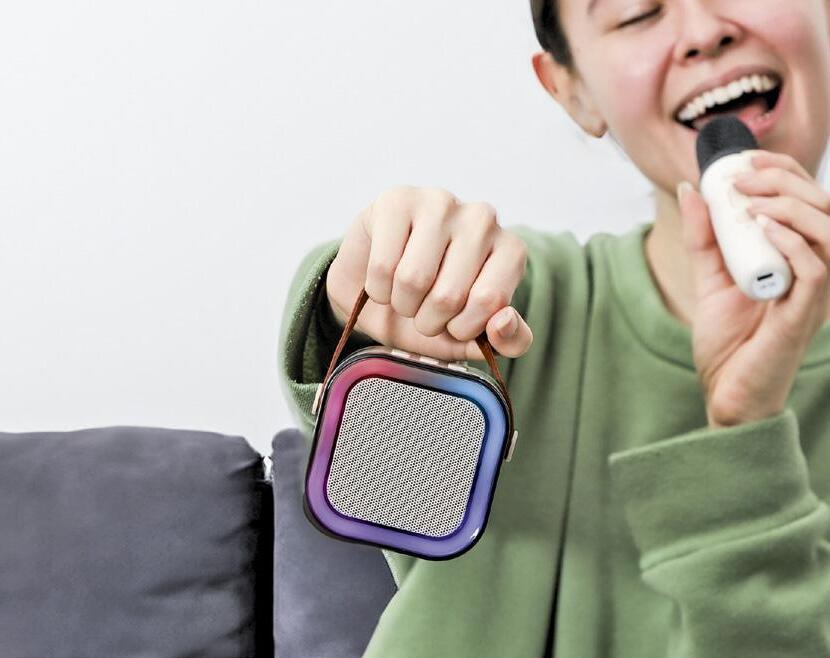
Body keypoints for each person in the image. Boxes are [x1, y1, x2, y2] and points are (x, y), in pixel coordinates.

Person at [277, 1, 830, 656]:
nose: (706, 31)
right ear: (573, 92)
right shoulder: (506, 314)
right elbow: (392, 496)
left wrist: (745, 435)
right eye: (637, 12)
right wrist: (363, 305)